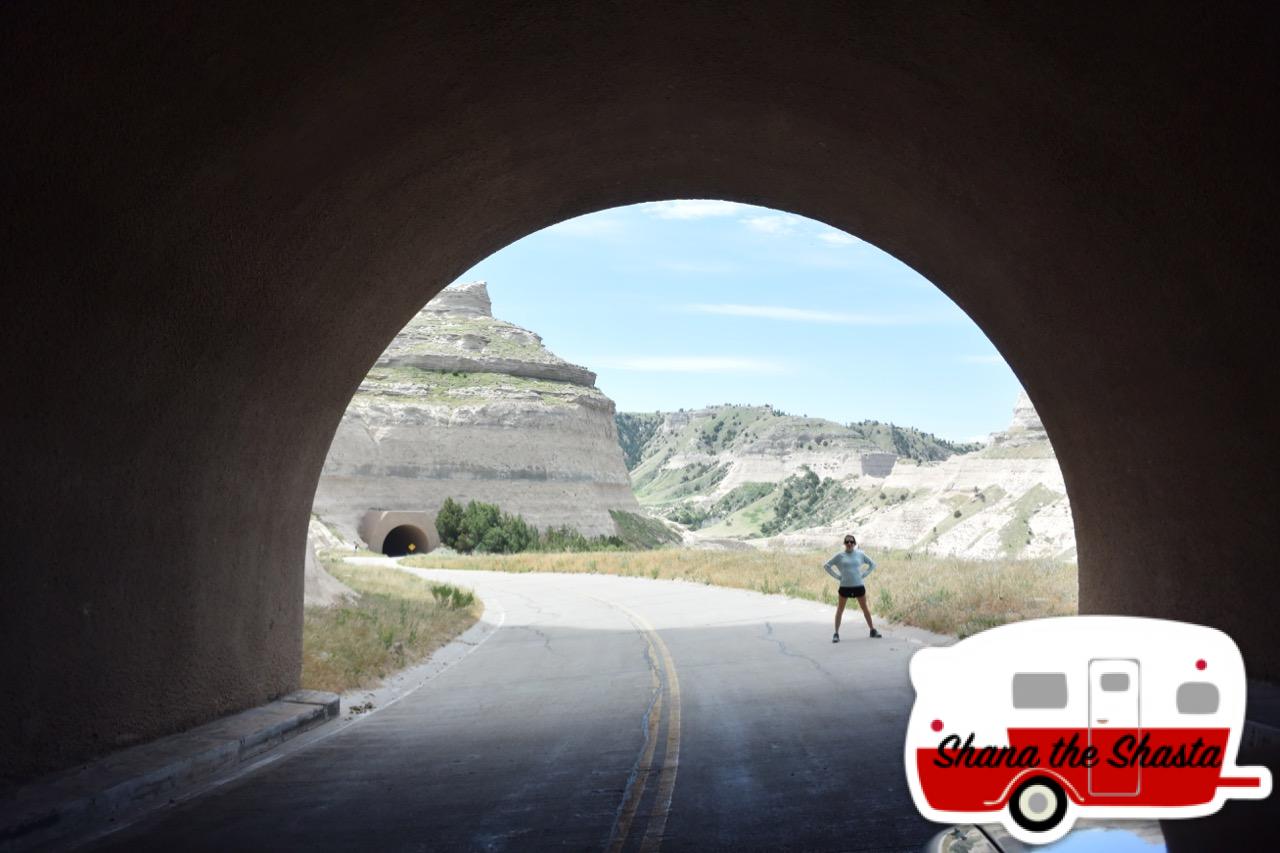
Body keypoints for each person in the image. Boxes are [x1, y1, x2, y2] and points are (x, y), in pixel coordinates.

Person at [823, 534, 882, 643]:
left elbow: (872, 564)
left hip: (858, 586)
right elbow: (826, 566)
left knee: (865, 608)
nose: (849, 543)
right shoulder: (840, 556)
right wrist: (837, 577)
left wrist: (864, 575)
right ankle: (836, 634)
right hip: (845, 587)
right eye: (847, 542)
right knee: (840, 610)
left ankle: (872, 630)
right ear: (844, 543)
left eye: (851, 542)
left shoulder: (860, 554)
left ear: (854, 544)